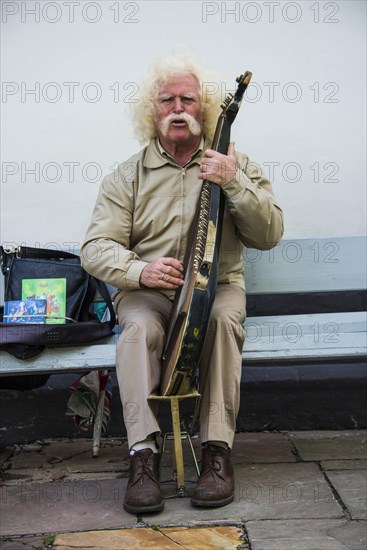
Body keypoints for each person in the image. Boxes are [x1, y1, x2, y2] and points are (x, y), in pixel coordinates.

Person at [81, 52, 284, 514]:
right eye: (167, 99)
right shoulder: (127, 175)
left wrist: (234, 183)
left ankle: (216, 453)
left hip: (216, 286)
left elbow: (268, 234)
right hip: (148, 294)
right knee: (136, 333)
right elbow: (95, 248)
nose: (177, 108)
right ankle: (143, 457)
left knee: (224, 321)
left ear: (204, 108)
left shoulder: (233, 162)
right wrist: (140, 271)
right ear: (150, 111)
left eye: (188, 99)